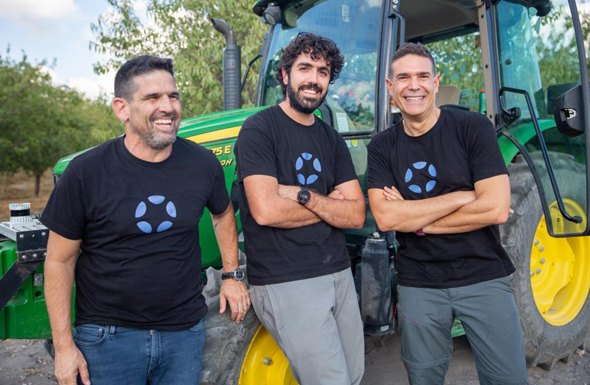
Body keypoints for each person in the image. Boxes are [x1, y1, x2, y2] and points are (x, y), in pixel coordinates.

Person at [41, 55, 250, 385]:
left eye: (173, 96)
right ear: (122, 109)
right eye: (152, 98)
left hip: (184, 335)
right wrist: (65, 348)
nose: (167, 107)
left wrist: (232, 273)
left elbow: (223, 213)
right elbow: (59, 261)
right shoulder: (85, 173)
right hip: (108, 341)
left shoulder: (202, 163)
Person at [367, 42, 527, 385]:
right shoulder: (381, 147)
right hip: (419, 282)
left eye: (423, 76)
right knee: (423, 377)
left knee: (508, 378)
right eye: (404, 77)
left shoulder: (473, 129)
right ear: (390, 87)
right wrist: (463, 197)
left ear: (436, 82)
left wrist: (418, 222)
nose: (414, 85)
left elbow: (496, 207)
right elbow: (386, 219)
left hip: (482, 274)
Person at [234, 33, 366, 384]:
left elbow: (356, 214)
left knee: (353, 376)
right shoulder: (259, 129)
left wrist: (302, 195)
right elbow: (266, 212)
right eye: (305, 68)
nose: (314, 79)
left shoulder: (330, 137)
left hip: (338, 272)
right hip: (287, 278)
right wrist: (330, 205)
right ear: (284, 75)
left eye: (323, 72)